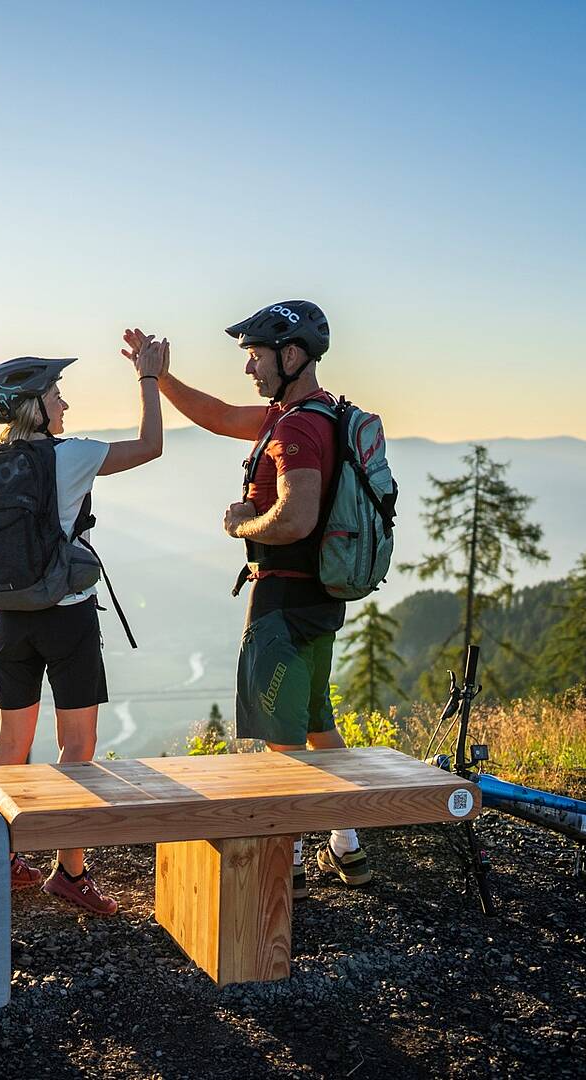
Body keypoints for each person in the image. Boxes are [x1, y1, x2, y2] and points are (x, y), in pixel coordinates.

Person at [124, 301, 372, 893]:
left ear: (292, 356)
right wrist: (158, 377)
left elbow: (294, 518)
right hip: (317, 599)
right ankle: (347, 844)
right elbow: (216, 415)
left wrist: (242, 524)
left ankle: (283, 867)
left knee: (282, 740)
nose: (248, 367)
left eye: (257, 355)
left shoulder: (296, 429)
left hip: (281, 603)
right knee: (316, 721)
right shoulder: (314, 414)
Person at [0, 339, 168, 915]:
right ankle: (70, 872)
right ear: (34, 406)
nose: (65, 405)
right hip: (66, 613)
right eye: (56, 395)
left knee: (11, 743)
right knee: (76, 746)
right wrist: (149, 379)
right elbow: (150, 446)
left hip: (6, 619)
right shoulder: (69, 456)